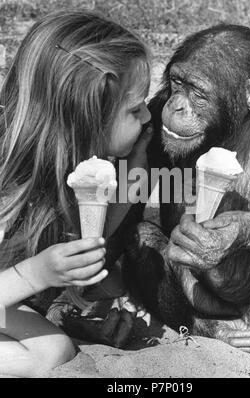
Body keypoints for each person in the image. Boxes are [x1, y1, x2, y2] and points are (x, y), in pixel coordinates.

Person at [0, 10, 151, 377]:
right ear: (86, 117)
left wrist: (137, 162)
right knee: (50, 353)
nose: (148, 116)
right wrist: (37, 274)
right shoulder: (8, 188)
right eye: (135, 108)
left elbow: (95, 239)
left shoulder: (68, 169)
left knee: (61, 342)